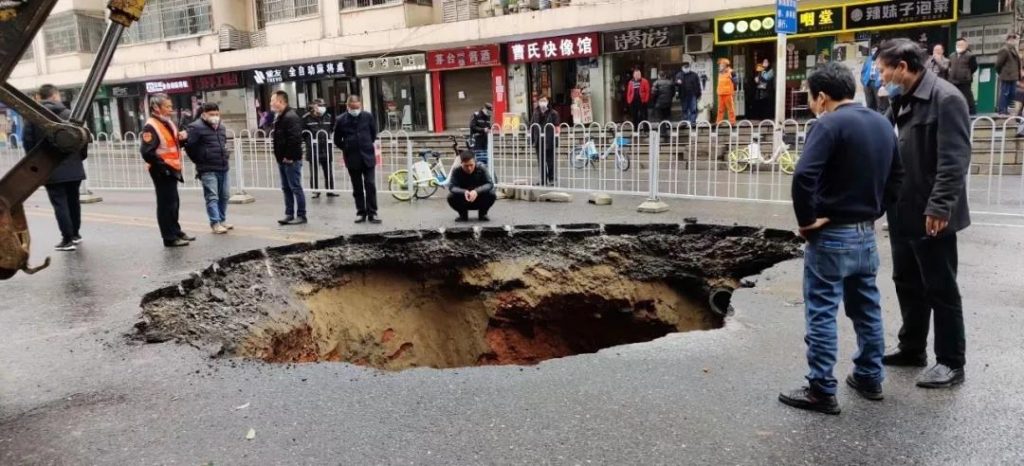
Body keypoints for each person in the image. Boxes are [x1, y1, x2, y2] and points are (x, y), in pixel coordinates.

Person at [779, 62, 903, 415]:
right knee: (866, 309)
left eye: (810, 96)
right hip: (865, 235)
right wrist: (875, 211)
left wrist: (807, 221)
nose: (811, 103)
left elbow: (804, 175)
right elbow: (898, 176)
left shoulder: (827, 124)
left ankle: (821, 389)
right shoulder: (882, 123)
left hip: (831, 235)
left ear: (821, 96)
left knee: (821, 311)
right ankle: (869, 376)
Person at [876, 38, 971, 389]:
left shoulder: (945, 99)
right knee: (907, 281)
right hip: (902, 208)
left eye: (883, 70)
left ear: (902, 67)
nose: (880, 76)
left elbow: (954, 159)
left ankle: (951, 362)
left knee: (940, 286)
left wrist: (940, 205)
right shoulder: (901, 99)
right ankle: (912, 347)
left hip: (932, 211)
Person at [21, 84, 87, 251]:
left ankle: (67, 239)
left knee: (60, 203)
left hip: (50, 168)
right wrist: (79, 158)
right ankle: (76, 234)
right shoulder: (69, 115)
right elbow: (83, 137)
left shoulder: (34, 117)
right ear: (55, 96)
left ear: (39, 97)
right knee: (73, 201)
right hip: (74, 166)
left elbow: (28, 142)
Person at [140, 93, 194, 247]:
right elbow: (147, 152)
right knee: (166, 204)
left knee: (174, 202)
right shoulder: (151, 126)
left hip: (172, 168)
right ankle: (169, 237)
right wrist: (162, 166)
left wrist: (182, 139)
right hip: (161, 170)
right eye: (167, 106)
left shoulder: (167, 122)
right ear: (156, 107)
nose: (171, 109)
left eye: (171, 106)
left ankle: (176, 231)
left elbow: (173, 144)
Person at [184, 102, 232, 235]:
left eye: (217, 114)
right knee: (212, 197)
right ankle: (215, 223)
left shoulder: (221, 127)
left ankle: (222, 220)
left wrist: (225, 155)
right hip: (207, 168)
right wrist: (200, 160)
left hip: (223, 166)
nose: (215, 116)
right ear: (204, 114)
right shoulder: (195, 127)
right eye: (212, 114)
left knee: (225, 195)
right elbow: (189, 147)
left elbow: (223, 143)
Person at [333, 95, 381, 224]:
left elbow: (373, 134)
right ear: (347, 106)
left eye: (357, 107)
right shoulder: (341, 120)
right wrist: (347, 147)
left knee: (370, 185)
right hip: (352, 158)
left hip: (368, 157)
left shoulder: (367, 116)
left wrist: (365, 144)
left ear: (360, 105)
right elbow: (337, 140)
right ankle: (361, 212)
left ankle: (372, 212)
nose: (355, 110)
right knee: (357, 187)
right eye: (353, 108)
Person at [270, 90, 307, 225]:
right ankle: (289, 214)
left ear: (280, 101)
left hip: (291, 159)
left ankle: (301, 215)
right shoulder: (280, 116)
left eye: (272, 101)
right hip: (282, 159)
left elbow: (295, 139)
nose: (270, 103)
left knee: (295, 187)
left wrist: (289, 156)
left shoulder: (291, 117)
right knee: (286, 188)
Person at [447, 150, 496, 223]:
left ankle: (483, 214)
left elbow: (489, 184)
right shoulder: (456, 170)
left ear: (475, 162)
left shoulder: (482, 168)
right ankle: (463, 215)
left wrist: (476, 191)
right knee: (450, 196)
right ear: (461, 163)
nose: (469, 168)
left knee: (492, 194)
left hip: (479, 197)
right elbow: (452, 187)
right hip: (463, 199)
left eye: (471, 165)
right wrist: (464, 192)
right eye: (466, 166)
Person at [303, 98, 337, 199]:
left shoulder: (328, 117)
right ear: (314, 106)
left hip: (326, 148)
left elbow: (331, 129)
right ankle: (315, 191)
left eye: (323, 106)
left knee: (328, 171)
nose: (323, 108)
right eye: (320, 105)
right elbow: (303, 133)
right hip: (313, 149)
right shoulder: (306, 118)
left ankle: (330, 190)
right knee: (314, 172)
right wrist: (310, 142)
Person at [530, 96, 560, 186]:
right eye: (541, 100)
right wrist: (531, 139)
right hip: (539, 140)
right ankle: (542, 179)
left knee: (550, 161)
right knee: (541, 161)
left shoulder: (553, 113)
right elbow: (532, 126)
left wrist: (556, 140)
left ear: (548, 102)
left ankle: (551, 179)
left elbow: (557, 127)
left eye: (544, 100)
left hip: (549, 140)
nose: (542, 102)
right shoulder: (535, 112)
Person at [948, 37, 979, 115]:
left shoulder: (970, 55)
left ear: (966, 45)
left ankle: (971, 114)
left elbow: (974, 67)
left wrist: (966, 74)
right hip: (953, 81)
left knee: (967, 98)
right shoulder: (952, 55)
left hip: (964, 81)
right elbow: (950, 66)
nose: (959, 46)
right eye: (958, 44)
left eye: (962, 44)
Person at [995, 33, 1020, 115]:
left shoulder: (1013, 49)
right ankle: (1002, 110)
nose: (1016, 41)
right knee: (1005, 93)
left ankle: (1006, 109)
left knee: (1012, 94)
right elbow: (998, 64)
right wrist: (1001, 73)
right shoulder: (1004, 50)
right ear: (1010, 39)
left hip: (1013, 76)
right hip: (1007, 76)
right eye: (1015, 39)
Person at [675, 59, 702, 125]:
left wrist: (699, 94)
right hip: (683, 94)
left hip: (693, 94)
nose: (686, 68)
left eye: (687, 67)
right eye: (685, 67)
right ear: (682, 68)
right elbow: (675, 84)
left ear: (689, 67)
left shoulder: (694, 75)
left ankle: (692, 122)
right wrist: (677, 83)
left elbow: (698, 84)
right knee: (684, 109)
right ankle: (685, 122)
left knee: (693, 109)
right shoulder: (679, 75)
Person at [651, 71, 674, 139]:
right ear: (665, 75)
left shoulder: (656, 83)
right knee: (667, 116)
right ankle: (670, 130)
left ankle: (663, 132)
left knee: (661, 118)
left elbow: (653, 94)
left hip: (659, 103)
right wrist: (669, 99)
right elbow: (673, 93)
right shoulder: (670, 82)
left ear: (658, 76)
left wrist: (654, 102)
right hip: (668, 103)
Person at [861, 45, 883, 112]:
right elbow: (863, 71)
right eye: (872, 50)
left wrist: (881, 82)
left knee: (879, 103)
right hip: (868, 83)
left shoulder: (881, 59)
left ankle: (878, 116)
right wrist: (863, 81)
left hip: (877, 83)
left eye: (875, 50)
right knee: (869, 102)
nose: (874, 52)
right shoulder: (868, 59)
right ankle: (870, 115)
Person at [716, 58, 738, 124]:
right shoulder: (720, 73)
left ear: (725, 65)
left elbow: (736, 82)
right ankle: (719, 122)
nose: (719, 66)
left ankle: (732, 122)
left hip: (728, 93)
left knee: (730, 109)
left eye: (721, 65)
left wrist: (734, 90)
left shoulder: (731, 72)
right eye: (720, 65)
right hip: (720, 93)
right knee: (720, 109)